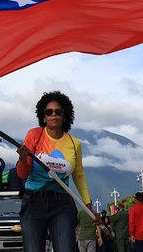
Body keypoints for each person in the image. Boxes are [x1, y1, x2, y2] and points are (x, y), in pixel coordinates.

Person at [16, 91, 96, 251]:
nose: (54, 115)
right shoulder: (34, 135)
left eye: (58, 111)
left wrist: (88, 205)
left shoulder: (74, 143)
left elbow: (78, 175)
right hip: (33, 202)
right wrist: (23, 160)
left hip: (62, 203)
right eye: (49, 111)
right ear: (43, 117)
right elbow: (22, 174)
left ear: (65, 116)